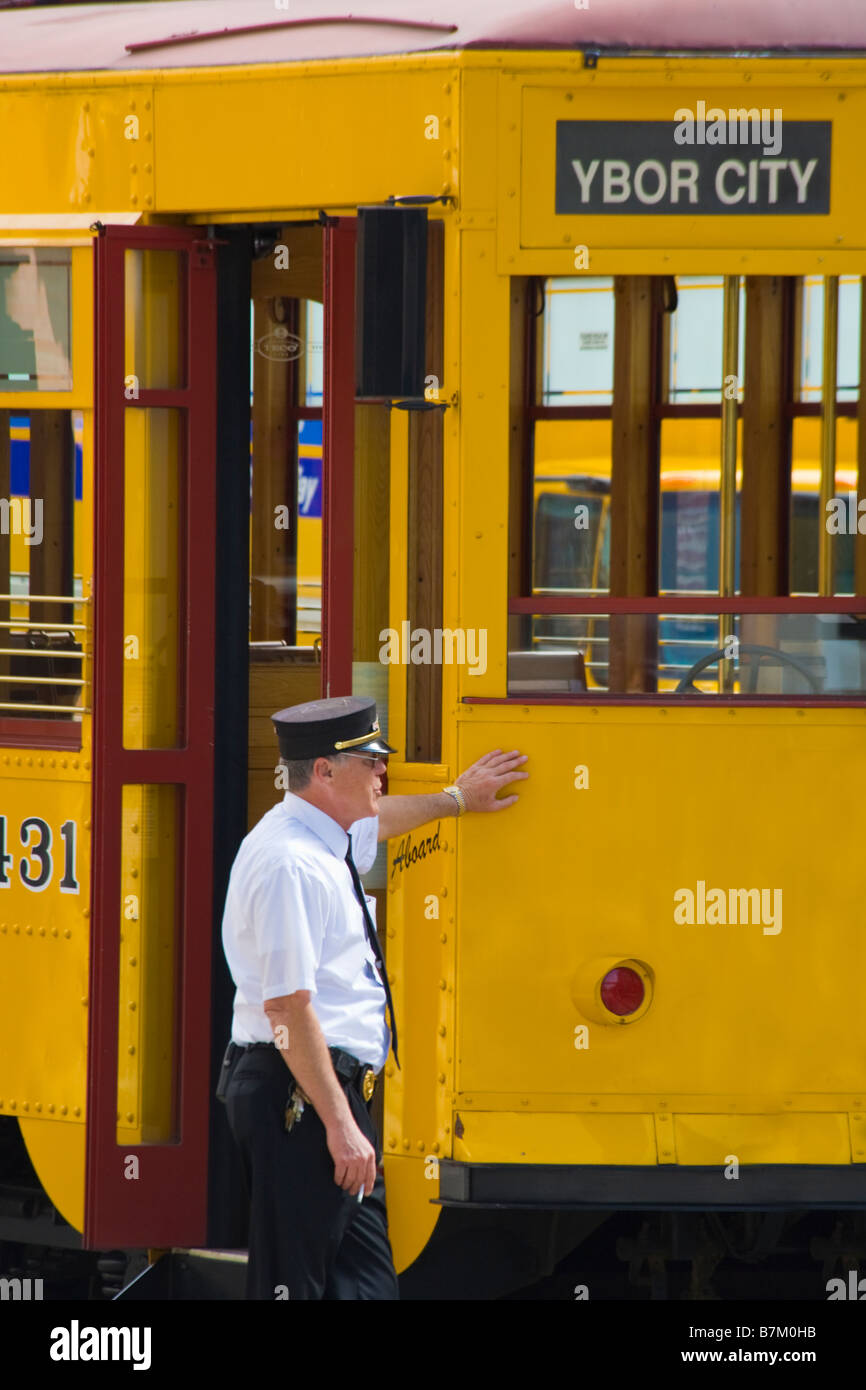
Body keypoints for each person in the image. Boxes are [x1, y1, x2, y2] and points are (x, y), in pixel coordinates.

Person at [220, 694, 527, 1300]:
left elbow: (377, 823)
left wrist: (457, 801)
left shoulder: (323, 835)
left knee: (365, 1287)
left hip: (326, 1096)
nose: (382, 771)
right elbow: (286, 1006)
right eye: (369, 761)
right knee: (296, 1286)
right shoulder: (292, 864)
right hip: (302, 1097)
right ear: (325, 772)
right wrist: (338, 1125)